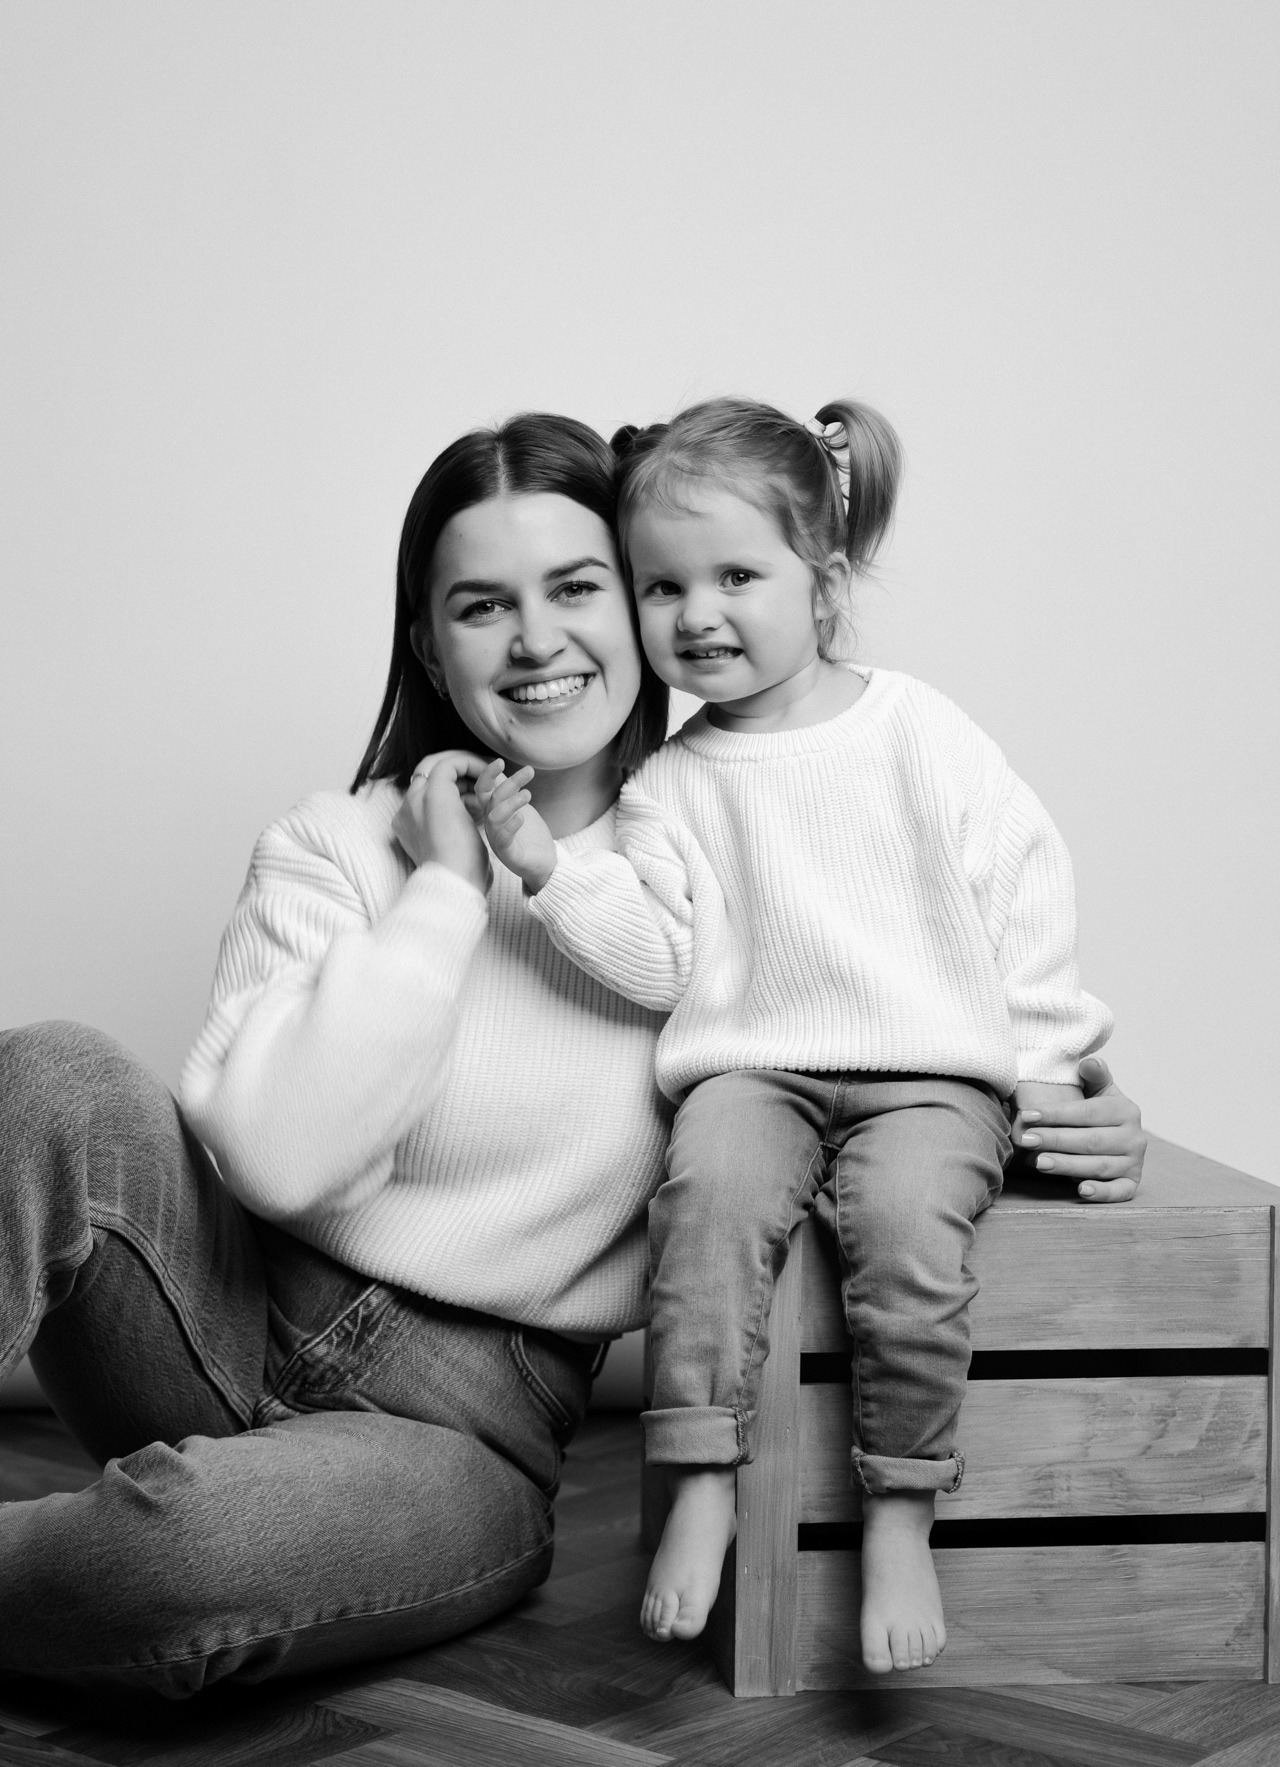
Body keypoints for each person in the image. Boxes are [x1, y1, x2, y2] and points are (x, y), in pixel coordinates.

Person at [0, 411, 1145, 1699]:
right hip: (219, 1311)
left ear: (636, 604)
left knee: (181, 1556)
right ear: (428, 642)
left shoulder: (721, 872)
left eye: (576, 588)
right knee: (48, 1075)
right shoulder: (334, 845)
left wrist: (1061, 1103)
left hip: (460, 1434)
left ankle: (185, 1527)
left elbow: (895, 1032)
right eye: (482, 605)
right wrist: (445, 892)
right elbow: (279, 1163)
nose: (535, 640)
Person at [478, 396, 1122, 1677]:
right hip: (753, 1072)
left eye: (735, 577)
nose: (694, 614)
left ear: (821, 585)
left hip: (929, 1075)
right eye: (661, 587)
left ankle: (899, 1509)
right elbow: (662, 962)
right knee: (705, 1204)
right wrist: (548, 868)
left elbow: (1020, 887)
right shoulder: (668, 784)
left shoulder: (916, 730)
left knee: (906, 1234)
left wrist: (1045, 1072)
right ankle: (700, 1475)